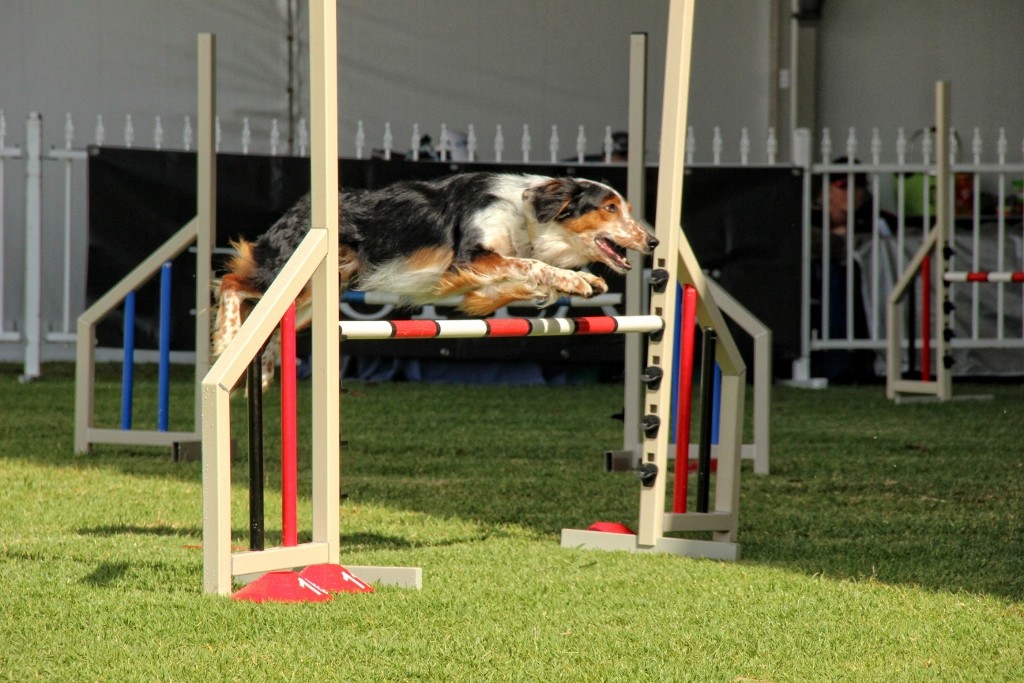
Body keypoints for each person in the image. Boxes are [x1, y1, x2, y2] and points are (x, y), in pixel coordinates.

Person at [810, 158, 893, 383]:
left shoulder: (876, 218)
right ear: (824, 191)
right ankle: (839, 366)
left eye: (857, 186)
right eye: (843, 186)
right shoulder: (809, 219)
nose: (852, 192)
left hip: (870, 283)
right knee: (833, 276)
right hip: (822, 279)